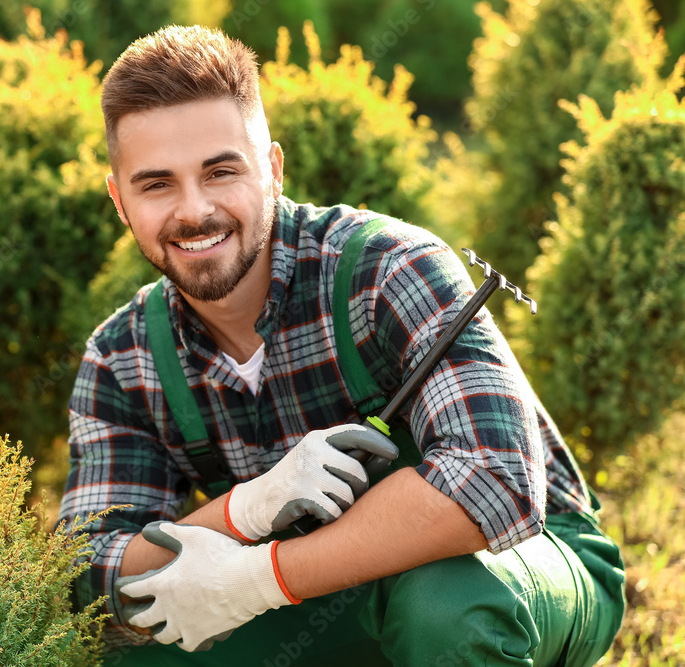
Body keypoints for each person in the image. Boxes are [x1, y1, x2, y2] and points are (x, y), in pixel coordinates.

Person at [57, 24, 625, 666]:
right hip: (323, 592)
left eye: (221, 171)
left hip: (517, 561)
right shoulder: (123, 357)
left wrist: (259, 577)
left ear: (272, 170)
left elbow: (496, 481)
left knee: (447, 609)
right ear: (119, 201)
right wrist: (247, 510)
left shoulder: (386, 268)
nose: (195, 211)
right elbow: (92, 568)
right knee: (140, 639)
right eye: (156, 184)